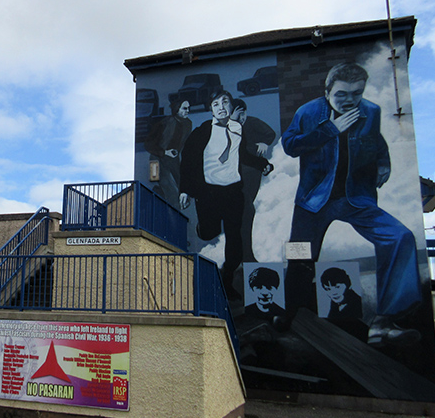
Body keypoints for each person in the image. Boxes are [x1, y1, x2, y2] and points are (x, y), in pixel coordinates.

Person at [281, 61, 421, 348]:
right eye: (342, 94)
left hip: (354, 198)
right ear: (327, 90)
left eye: (356, 94)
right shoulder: (308, 112)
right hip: (312, 201)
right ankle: (289, 312)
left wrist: (384, 163)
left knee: (400, 237)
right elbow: (290, 145)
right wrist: (329, 130)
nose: (349, 100)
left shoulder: (371, 112)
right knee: (299, 256)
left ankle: (385, 322)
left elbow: (377, 142)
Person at [180, 91, 273, 294]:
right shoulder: (202, 132)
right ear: (211, 109)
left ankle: (227, 279)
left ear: (231, 107)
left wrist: (262, 164)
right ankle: (203, 228)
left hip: (232, 191)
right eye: (215, 104)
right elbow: (187, 160)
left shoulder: (238, 128)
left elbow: (242, 155)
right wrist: (186, 190)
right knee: (209, 232)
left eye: (225, 102)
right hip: (208, 192)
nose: (221, 107)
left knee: (235, 241)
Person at [231, 99, 276, 262]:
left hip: (253, 173)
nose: (241, 117)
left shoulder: (253, 122)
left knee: (246, 210)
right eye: (237, 114)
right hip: (237, 176)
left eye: (243, 113)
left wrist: (265, 143)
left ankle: (245, 255)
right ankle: (245, 256)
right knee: (245, 211)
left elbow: (270, 133)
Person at [144, 99, 192, 207]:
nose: (187, 111)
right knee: (170, 191)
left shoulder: (188, 124)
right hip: (157, 160)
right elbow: (148, 145)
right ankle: (174, 218)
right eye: (184, 108)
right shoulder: (164, 123)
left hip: (174, 160)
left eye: (189, 108)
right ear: (176, 109)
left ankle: (157, 196)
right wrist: (165, 152)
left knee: (181, 186)